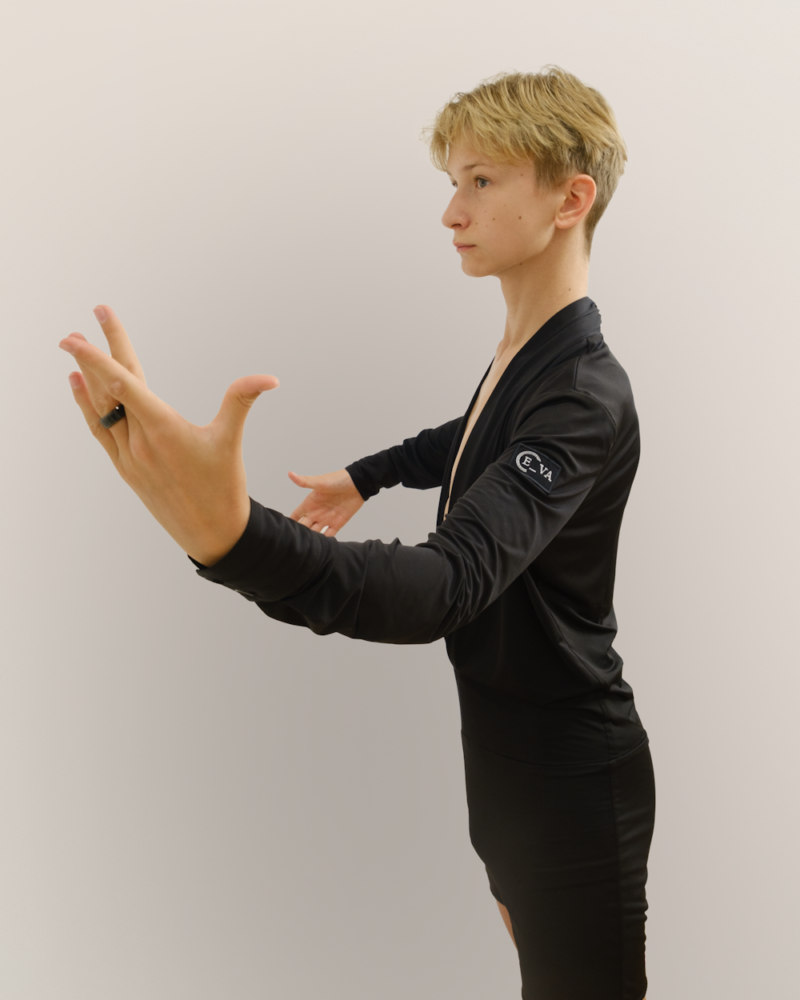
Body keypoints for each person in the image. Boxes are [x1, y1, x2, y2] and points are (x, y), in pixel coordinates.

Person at [59, 66, 655, 1000]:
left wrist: (238, 537)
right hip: (505, 755)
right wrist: (368, 476)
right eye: (452, 182)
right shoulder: (529, 357)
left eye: (481, 181)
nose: (451, 212)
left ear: (570, 199)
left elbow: (444, 587)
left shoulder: (580, 392)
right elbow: (474, 436)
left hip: (574, 775)